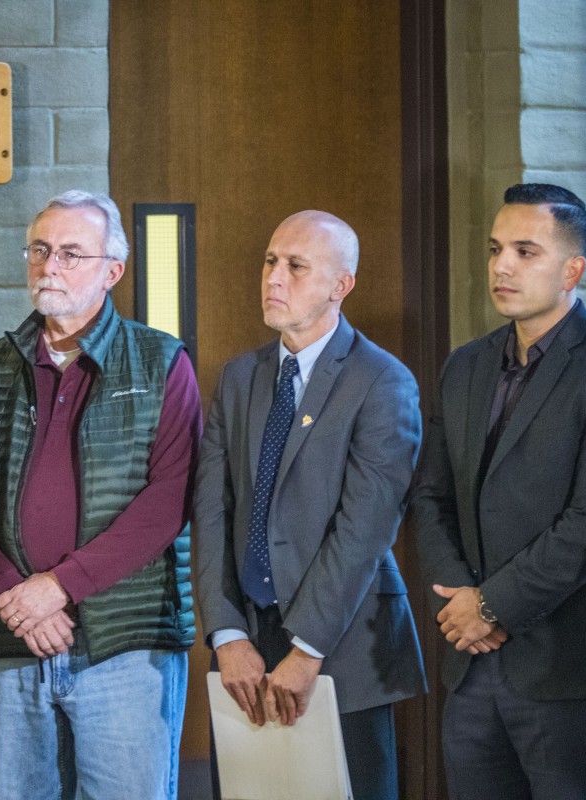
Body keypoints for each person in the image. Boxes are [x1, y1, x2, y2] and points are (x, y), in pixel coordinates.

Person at [0, 190, 201, 800]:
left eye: (71, 253)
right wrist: (13, 594)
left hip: (123, 645)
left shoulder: (161, 362)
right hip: (13, 640)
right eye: (40, 249)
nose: (49, 265)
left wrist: (59, 587)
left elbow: (168, 500)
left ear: (113, 271)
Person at [411, 184, 586, 799]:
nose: (502, 266)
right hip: (470, 663)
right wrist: (462, 602)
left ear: (572, 269)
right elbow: (428, 496)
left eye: (526, 251)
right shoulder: (464, 365)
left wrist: (489, 607)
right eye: (496, 249)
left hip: (569, 668)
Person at [193, 209, 426, 800]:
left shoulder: (382, 380)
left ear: (339, 286)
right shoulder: (240, 376)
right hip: (244, 647)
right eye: (271, 261)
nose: (274, 277)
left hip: (341, 648)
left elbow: (365, 529)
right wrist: (225, 636)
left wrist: (307, 650)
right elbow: (211, 513)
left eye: (296, 266)